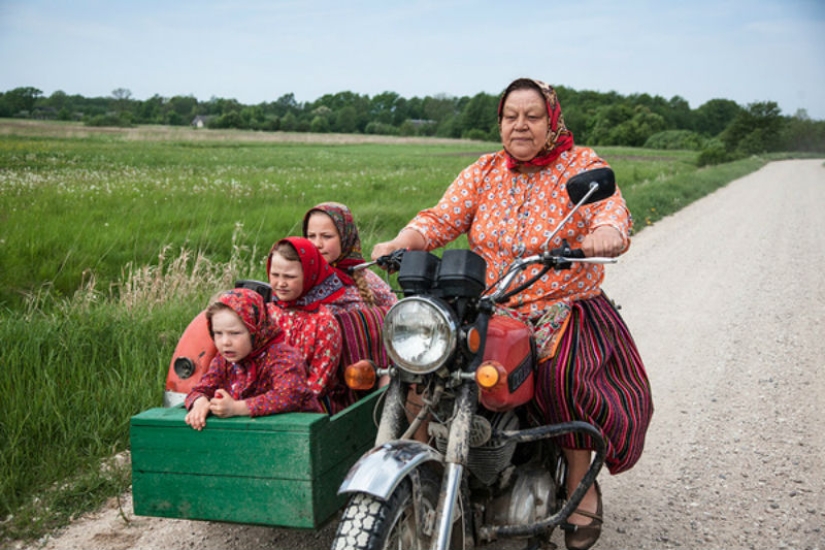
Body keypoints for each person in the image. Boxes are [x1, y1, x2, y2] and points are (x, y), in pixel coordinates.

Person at [372, 78, 653, 550]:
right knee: (424, 363)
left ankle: (578, 483)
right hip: (491, 302)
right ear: (500, 122)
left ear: (551, 120)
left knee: (563, 375)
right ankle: (426, 465)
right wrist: (403, 241)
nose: (520, 125)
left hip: (559, 303)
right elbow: (441, 219)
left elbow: (611, 214)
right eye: (511, 116)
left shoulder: (582, 165)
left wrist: (605, 234)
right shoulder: (485, 170)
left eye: (532, 115)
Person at [184, 288, 322, 431]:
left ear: (255, 329)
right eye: (218, 333)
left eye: (235, 333)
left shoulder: (283, 358)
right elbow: (202, 387)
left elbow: (288, 395)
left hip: (298, 434)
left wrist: (237, 408)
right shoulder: (223, 361)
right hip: (256, 433)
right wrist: (199, 401)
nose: (225, 342)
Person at [266, 236, 348, 413]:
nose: (280, 283)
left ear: (309, 274)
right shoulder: (265, 315)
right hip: (263, 403)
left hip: (307, 409)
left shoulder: (324, 324)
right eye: (275, 275)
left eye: (290, 277)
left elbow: (318, 383)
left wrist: (277, 405)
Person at [302, 201, 396, 314]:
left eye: (327, 236)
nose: (317, 244)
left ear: (345, 237)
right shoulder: (298, 278)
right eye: (311, 236)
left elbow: (398, 316)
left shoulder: (368, 280)